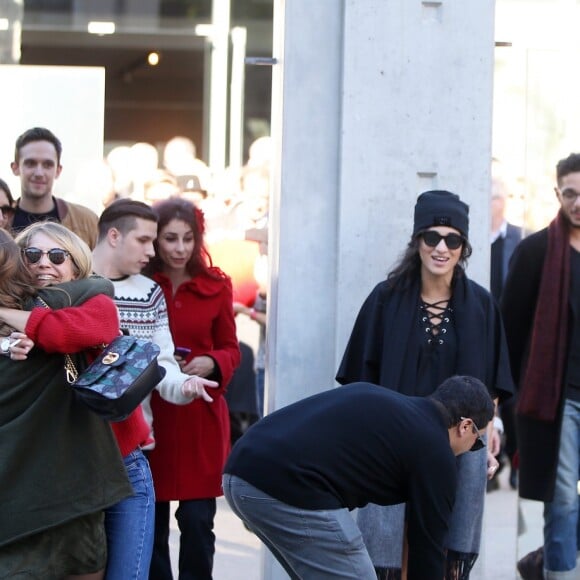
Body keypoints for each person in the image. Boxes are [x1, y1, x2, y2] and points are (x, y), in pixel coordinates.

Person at [336, 190, 514, 579]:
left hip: (456, 446)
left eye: (452, 240)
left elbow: (491, 384)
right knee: (391, 546)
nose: (441, 248)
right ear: (417, 241)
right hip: (392, 442)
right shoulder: (385, 300)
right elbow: (359, 380)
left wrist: (489, 432)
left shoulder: (481, 307)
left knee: (440, 547)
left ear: (463, 247)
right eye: (431, 237)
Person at [223, 375, 495, 580]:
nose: (472, 450)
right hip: (284, 485)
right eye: (477, 442)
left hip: (240, 473)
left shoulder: (400, 413)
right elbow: (428, 549)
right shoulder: (436, 451)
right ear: (465, 426)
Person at [90, 199, 220, 578]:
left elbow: (162, 367)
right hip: (77, 454)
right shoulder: (73, 282)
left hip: (132, 452)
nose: (154, 252)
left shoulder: (149, 292)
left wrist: (187, 385)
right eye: (145, 241)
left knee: (131, 570)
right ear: (114, 236)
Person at [0, 228, 132, 579]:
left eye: (57, 257)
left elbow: (65, 333)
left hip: (77, 483)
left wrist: (9, 317)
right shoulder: (11, 304)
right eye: (32, 255)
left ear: (76, 264)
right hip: (17, 486)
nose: (44, 264)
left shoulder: (94, 298)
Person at [144, 198, 241, 580]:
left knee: (199, 522)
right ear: (155, 239)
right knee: (151, 524)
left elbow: (232, 348)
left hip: (199, 416)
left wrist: (213, 361)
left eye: (188, 239)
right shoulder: (142, 284)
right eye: (170, 238)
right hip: (153, 416)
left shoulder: (216, 286)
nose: (180, 248)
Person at [501, 152, 580, 580]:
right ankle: (558, 572)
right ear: (557, 194)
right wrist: (501, 402)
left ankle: (542, 559)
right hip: (559, 399)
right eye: (570, 193)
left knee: (568, 503)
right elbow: (509, 329)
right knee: (563, 498)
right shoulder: (535, 253)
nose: (578, 202)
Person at [7, 127, 99, 247]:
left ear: (58, 170)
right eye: (31, 163)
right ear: (15, 168)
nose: (39, 173)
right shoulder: (3, 221)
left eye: (47, 165)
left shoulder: (86, 221)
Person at [489, 173, 523, 492]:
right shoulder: (470, 239)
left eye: (494, 199)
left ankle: (514, 460)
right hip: (484, 327)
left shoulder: (517, 237)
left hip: (510, 330)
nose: (490, 205)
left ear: (502, 203)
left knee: (511, 399)